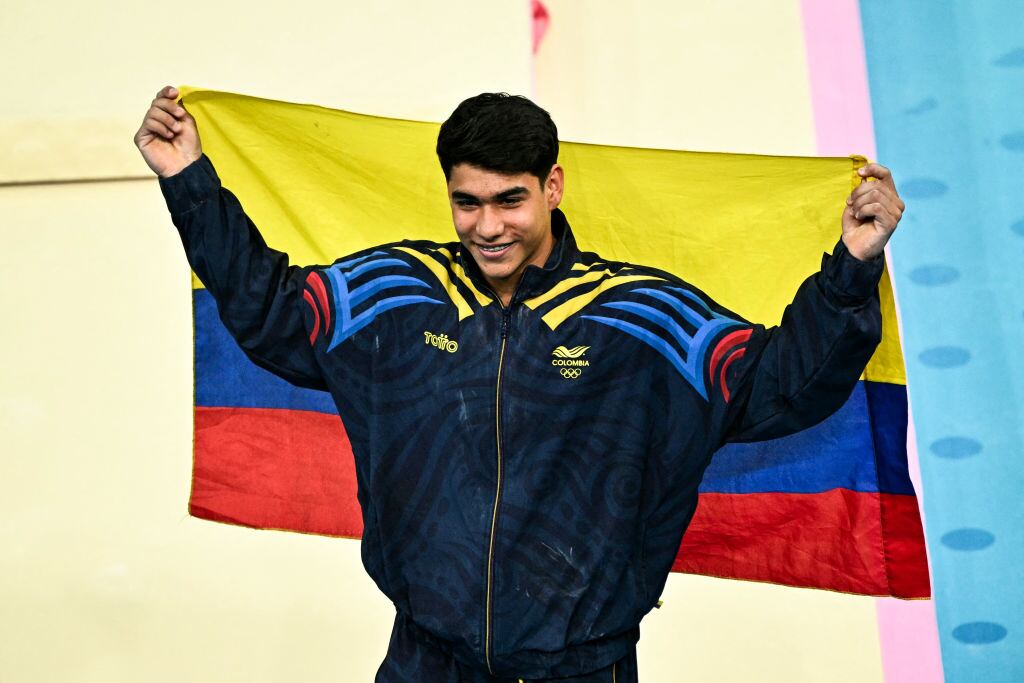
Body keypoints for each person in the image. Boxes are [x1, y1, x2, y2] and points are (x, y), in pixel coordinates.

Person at [135, 85, 906, 682]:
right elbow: (271, 310)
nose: (488, 226)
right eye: (467, 202)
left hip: (581, 664)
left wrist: (852, 268)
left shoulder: (640, 317)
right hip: (425, 656)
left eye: (511, 199)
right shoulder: (394, 294)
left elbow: (781, 385)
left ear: (554, 185)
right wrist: (189, 181)